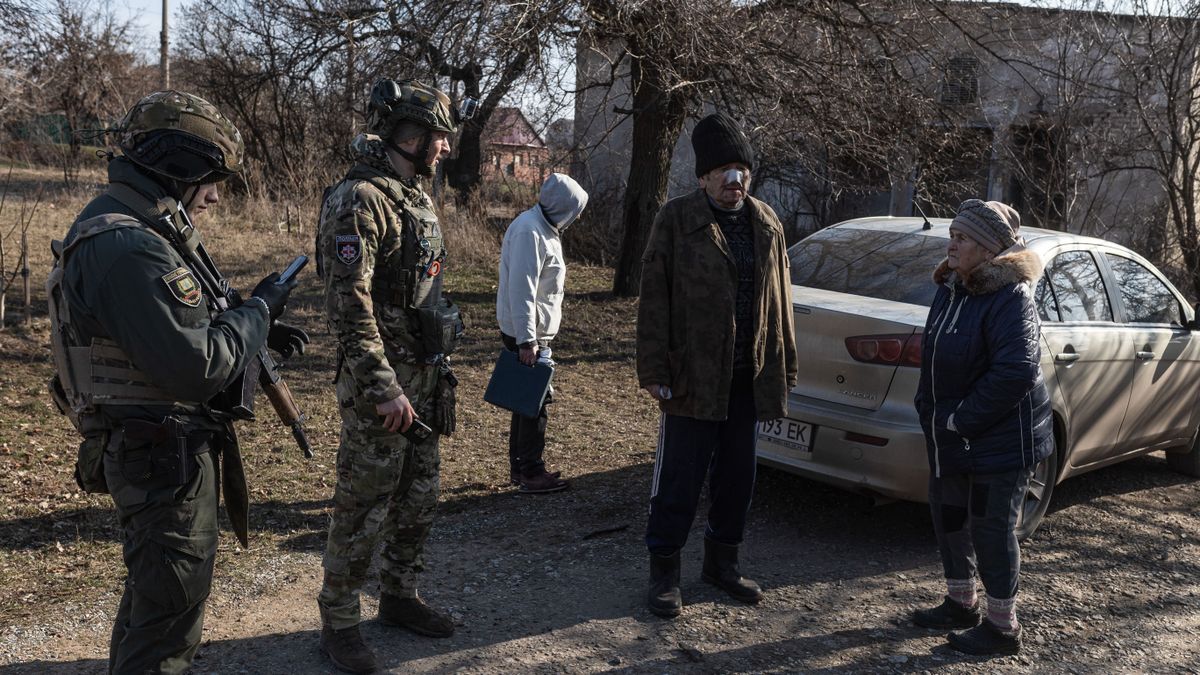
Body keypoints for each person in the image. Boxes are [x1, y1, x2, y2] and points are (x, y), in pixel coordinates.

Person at [45, 90, 304, 674]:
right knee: (166, 620)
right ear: (179, 165)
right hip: (159, 457)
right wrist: (257, 313)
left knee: (155, 603)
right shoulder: (129, 244)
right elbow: (195, 366)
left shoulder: (138, 226)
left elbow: (179, 328)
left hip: (159, 450)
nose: (214, 194)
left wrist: (251, 326)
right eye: (211, 177)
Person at [315, 78, 466, 674]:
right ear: (410, 135)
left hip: (425, 378)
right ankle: (340, 619)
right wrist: (384, 387)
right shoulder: (360, 199)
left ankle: (399, 595)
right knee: (364, 501)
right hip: (383, 386)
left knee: (420, 495)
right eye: (439, 138)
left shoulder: (414, 195)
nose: (445, 149)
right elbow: (349, 307)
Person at [636, 112, 797, 618]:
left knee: (737, 479)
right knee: (679, 479)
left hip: (747, 379)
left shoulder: (767, 222)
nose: (735, 180)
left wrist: (783, 368)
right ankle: (664, 570)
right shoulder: (676, 219)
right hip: (691, 377)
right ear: (703, 176)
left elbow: (781, 302)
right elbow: (653, 297)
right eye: (724, 170)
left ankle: (721, 565)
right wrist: (654, 368)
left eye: (742, 169)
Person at [911, 199, 1053, 656]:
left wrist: (961, 418)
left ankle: (1002, 627)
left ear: (990, 250)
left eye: (963, 237)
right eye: (952, 234)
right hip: (951, 430)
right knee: (948, 515)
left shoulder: (1011, 298)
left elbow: (1016, 371)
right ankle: (960, 602)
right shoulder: (952, 286)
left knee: (992, 528)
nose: (952, 244)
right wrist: (930, 411)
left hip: (1000, 438)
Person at [495, 172, 589, 494]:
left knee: (526, 401)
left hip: (533, 334)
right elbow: (523, 289)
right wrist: (527, 341)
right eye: (575, 211)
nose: (577, 218)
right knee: (535, 403)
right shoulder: (529, 231)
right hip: (528, 335)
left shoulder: (543, 228)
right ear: (564, 207)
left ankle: (521, 467)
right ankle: (531, 471)